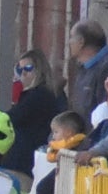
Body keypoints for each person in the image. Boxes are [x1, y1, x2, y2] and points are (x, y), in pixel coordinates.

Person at [4, 47, 64, 175]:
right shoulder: (37, 93)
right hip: (27, 157)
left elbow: (11, 118)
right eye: (20, 69)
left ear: (39, 69)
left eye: (28, 68)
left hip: (27, 158)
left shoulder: (39, 94)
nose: (23, 73)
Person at [68, 19, 108, 129]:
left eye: (71, 37)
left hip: (97, 140)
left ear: (81, 41)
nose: (69, 42)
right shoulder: (84, 67)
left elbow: (107, 111)